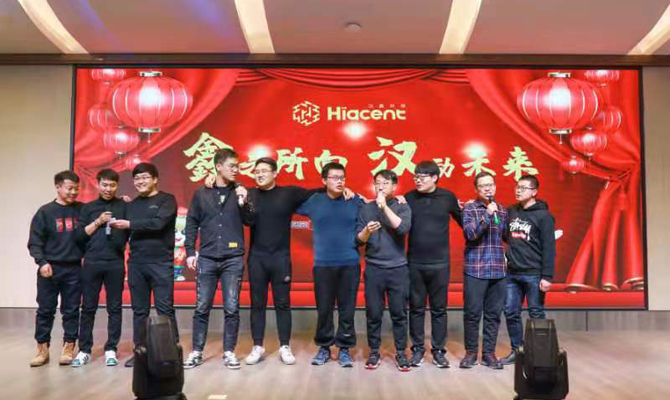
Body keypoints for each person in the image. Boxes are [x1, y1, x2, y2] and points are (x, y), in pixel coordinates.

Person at [182, 149, 253, 370]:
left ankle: (229, 352)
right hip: (207, 257)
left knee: (232, 307)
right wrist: (190, 252)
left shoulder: (240, 191)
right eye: (232, 165)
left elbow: (250, 221)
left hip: (233, 258)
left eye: (237, 166)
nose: (236, 169)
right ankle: (196, 352)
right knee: (202, 307)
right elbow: (191, 223)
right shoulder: (201, 193)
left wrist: (244, 201)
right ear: (218, 166)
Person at [109, 162, 178, 368]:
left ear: (155, 179)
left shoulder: (167, 200)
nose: (140, 181)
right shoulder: (131, 205)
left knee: (165, 309)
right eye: (137, 179)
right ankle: (141, 352)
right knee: (139, 311)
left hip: (161, 262)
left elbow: (158, 224)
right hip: (137, 263)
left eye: (145, 177)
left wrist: (130, 224)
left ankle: (170, 354)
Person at [296, 162, 363, 367]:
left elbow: (374, 205)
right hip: (323, 265)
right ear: (324, 180)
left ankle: (344, 349)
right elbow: (290, 201)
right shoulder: (314, 201)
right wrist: (320, 190)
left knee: (347, 310)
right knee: (324, 309)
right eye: (334, 178)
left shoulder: (354, 200)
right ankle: (324, 347)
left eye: (342, 177)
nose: (339, 181)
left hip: (350, 264)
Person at [403, 160, 462, 368]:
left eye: (422, 177)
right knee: (416, 308)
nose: (417, 181)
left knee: (439, 309)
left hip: (440, 263)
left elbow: (464, 221)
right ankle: (418, 349)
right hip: (415, 263)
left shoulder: (448, 197)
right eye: (415, 177)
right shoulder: (409, 198)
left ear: (435, 177)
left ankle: (438, 351)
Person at [71, 169, 128, 367]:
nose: (108, 189)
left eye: (112, 185)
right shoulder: (88, 208)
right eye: (104, 184)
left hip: (115, 263)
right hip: (92, 262)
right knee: (88, 307)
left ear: (117, 185)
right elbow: (79, 236)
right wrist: (98, 221)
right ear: (98, 184)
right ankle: (84, 350)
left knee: (115, 308)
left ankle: (111, 348)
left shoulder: (124, 205)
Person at [356, 170, 412, 372]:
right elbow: (358, 240)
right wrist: (367, 231)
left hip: (398, 269)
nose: (380, 187)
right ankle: (374, 352)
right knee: (373, 313)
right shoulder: (366, 208)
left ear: (394, 186)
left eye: (385, 183)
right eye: (377, 183)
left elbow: (402, 229)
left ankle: (401, 353)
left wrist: (385, 207)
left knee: (399, 313)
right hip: (374, 269)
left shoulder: (402, 206)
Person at [28, 170, 83, 367]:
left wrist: (123, 201)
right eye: (70, 188)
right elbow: (34, 242)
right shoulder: (45, 212)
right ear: (58, 187)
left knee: (71, 310)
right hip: (49, 268)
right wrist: (42, 262)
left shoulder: (82, 210)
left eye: (76, 189)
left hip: (74, 268)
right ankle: (42, 349)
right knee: (45, 310)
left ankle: (69, 347)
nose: (73, 192)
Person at [500, 174, 556, 365]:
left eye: (523, 188)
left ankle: (539, 355)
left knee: (536, 313)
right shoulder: (512, 211)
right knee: (510, 312)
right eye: (517, 187)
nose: (518, 190)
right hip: (512, 273)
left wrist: (547, 276)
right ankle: (518, 350)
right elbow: (506, 235)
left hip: (534, 273)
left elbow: (549, 247)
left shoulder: (544, 216)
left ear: (534, 192)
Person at [460, 172, 508, 370]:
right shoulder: (470, 208)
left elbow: (506, 236)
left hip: (498, 270)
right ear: (476, 189)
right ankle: (471, 353)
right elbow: (471, 234)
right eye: (483, 186)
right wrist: (487, 214)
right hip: (476, 269)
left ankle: (489, 353)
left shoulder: (502, 210)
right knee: (472, 314)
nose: (488, 188)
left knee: (493, 315)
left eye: (491, 184)